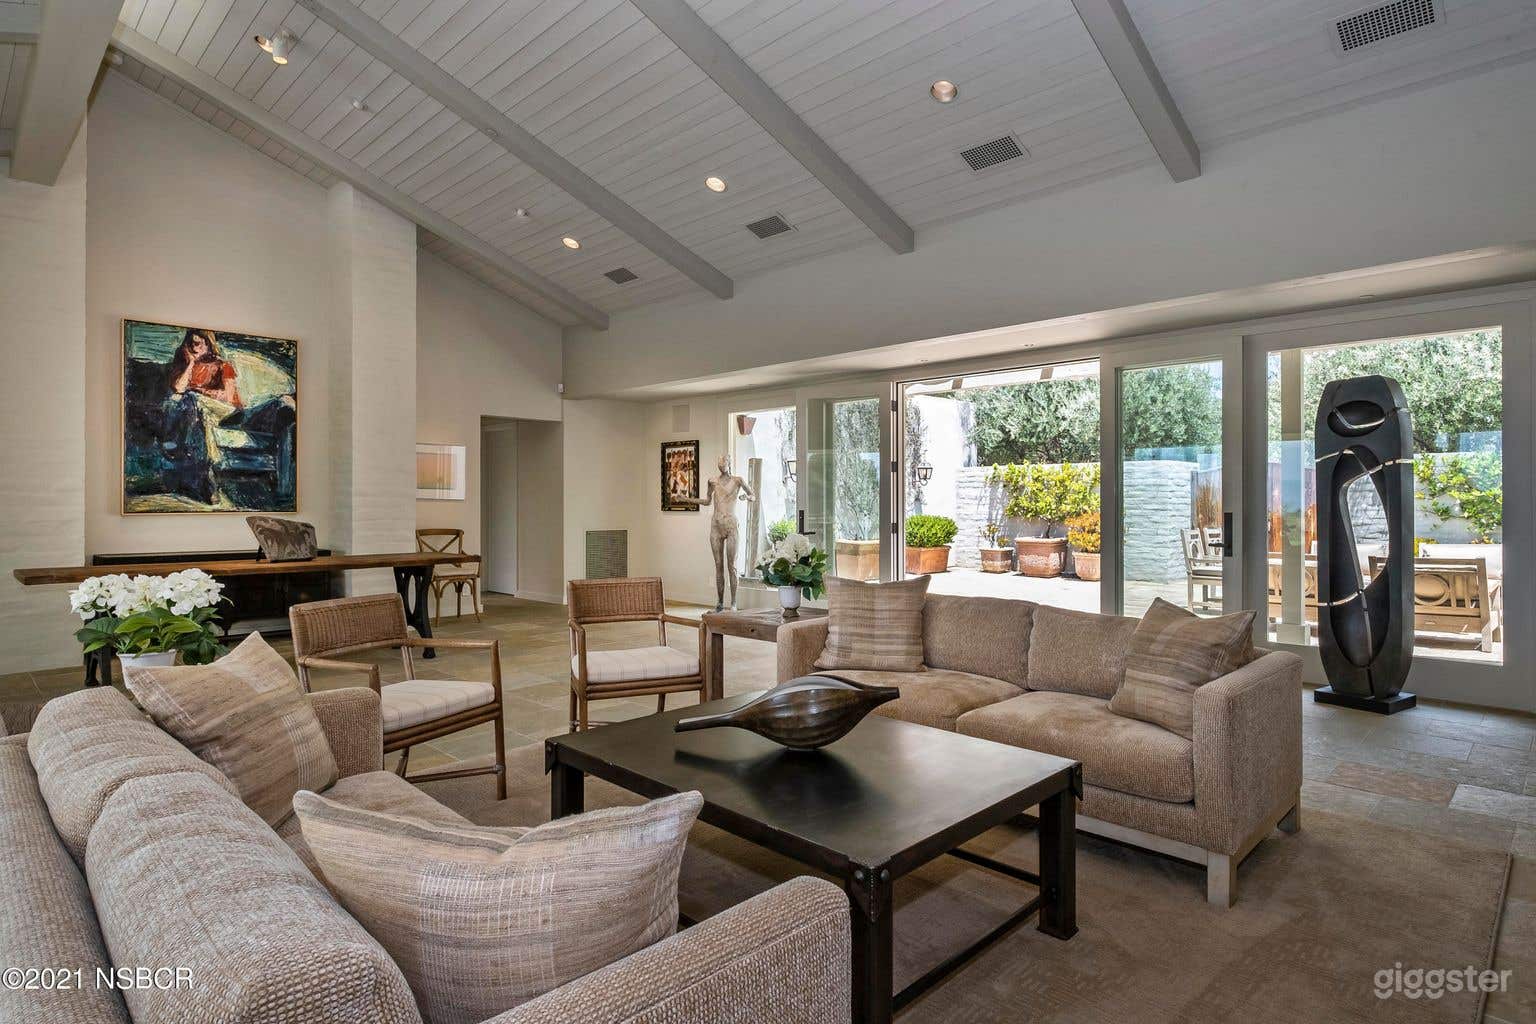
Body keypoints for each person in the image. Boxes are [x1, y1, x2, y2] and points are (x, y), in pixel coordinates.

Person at [162, 329, 241, 504]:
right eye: (190, 344)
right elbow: (178, 388)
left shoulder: (223, 365)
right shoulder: (185, 366)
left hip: (225, 411)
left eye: (197, 344)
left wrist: (199, 391)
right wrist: (191, 363)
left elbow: (228, 397)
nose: (193, 347)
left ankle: (177, 449)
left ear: (209, 344)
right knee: (193, 408)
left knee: (192, 399)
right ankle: (207, 473)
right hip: (198, 412)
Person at [673, 455, 755, 611]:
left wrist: (747, 497)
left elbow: (753, 495)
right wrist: (686, 499)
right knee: (718, 565)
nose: (721, 465)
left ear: (729, 463)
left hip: (731, 525)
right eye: (719, 463)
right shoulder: (712, 481)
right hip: (716, 526)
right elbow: (707, 501)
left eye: (724, 462)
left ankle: (734, 603)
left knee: (732, 566)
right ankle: (720, 602)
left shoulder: (738, 480)